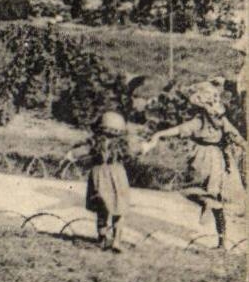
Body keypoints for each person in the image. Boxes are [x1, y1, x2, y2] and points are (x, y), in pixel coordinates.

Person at [141, 78, 246, 249]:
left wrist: (159, 134)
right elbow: (234, 134)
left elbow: (179, 130)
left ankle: (217, 229)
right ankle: (221, 239)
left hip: (206, 159)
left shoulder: (201, 121)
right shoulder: (219, 121)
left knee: (197, 190)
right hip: (216, 159)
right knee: (214, 198)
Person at [70, 110, 132, 252]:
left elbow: (78, 152)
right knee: (119, 209)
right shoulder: (123, 144)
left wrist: (71, 154)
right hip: (118, 174)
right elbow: (136, 150)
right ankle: (116, 241)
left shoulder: (94, 143)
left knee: (102, 209)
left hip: (98, 174)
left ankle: (102, 239)